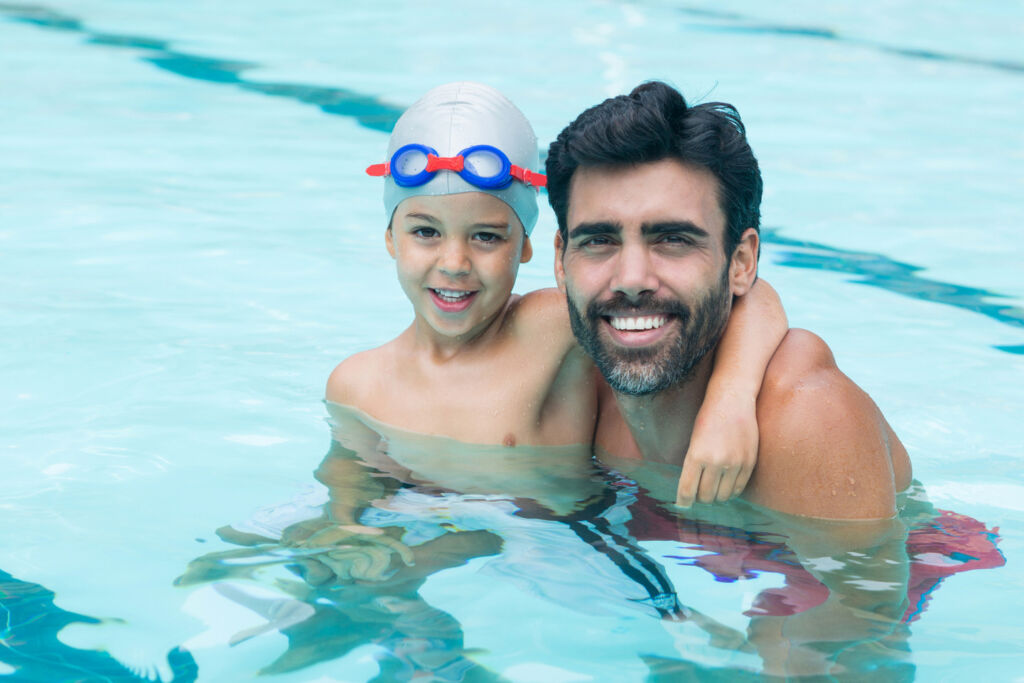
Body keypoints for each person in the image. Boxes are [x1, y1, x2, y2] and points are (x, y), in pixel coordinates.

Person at [327, 81, 789, 506]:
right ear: (390, 238)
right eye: (426, 232)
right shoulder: (357, 386)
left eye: (486, 236)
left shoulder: (548, 328)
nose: (454, 263)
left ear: (526, 246)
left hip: (576, 545)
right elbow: (345, 509)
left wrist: (730, 401)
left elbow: (752, 297)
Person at [546, 80, 912, 519]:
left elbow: (867, 587)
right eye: (599, 240)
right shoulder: (561, 372)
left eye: (673, 239)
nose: (631, 280)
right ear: (561, 262)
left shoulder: (807, 418)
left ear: (741, 262)